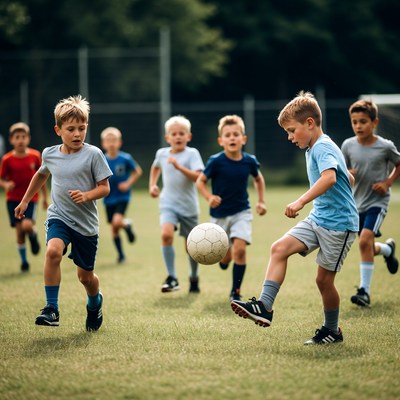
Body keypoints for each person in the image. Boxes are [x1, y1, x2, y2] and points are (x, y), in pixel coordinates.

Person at [230, 91, 359, 345]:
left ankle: (332, 330)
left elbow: (329, 178)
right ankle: (265, 307)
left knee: (323, 281)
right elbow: (344, 177)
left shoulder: (321, 146)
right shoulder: (314, 147)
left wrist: (300, 200)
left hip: (339, 225)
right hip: (319, 218)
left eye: (291, 130)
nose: (289, 137)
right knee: (279, 248)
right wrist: (347, 176)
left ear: (309, 123)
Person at [14, 95, 112, 331]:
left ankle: (94, 302)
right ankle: (51, 308)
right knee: (53, 252)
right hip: (59, 216)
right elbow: (41, 175)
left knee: (85, 278)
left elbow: (104, 188)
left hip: (86, 225)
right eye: (71, 129)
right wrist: (26, 201)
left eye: (82, 128)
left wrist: (87, 195)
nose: (77, 134)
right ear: (58, 130)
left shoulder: (94, 154)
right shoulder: (49, 154)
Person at [196, 114, 267, 301]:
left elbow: (258, 179)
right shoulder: (216, 161)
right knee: (226, 257)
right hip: (219, 215)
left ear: (243, 139)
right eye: (227, 135)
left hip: (242, 211)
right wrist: (209, 197)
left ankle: (235, 291)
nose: (232, 138)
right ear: (221, 141)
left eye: (236, 134)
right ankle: (225, 260)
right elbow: (200, 182)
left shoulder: (249, 161)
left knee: (240, 250)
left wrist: (261, 201)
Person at [341, 99, 400, 307]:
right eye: (354, 122)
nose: (358, 126)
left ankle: (364, 292)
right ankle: (386, 250)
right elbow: (342, 171)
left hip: (378, 202)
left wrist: (388, 182)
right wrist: (347, 172)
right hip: (356, 204)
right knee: (366, 244)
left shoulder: (385, 147)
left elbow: (399, 164)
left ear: (374, 123)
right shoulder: (347, 145)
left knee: (364, 241)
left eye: (363, 121)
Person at [149, 115, 204, 293]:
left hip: (188, 206)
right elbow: (156, 166)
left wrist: (179, 167)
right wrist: (152, 184)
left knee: (191, 246)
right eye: (174, 134)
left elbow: (199, 177)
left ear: (189, 136)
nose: (178, 137)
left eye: (182, 133)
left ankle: (194, 277)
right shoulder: (162, 153)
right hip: (168, 203)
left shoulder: (192, 154)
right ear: (168, 138)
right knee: (166, 235)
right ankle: (172, 278)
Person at [0, 122, 48, 272]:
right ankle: (24, 262)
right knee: (19, 232)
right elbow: (1, 178)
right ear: (11, 140)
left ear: (28, 139)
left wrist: (45, 198)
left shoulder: (35, 156)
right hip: (13, 199)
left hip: (31, 198)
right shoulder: (7, 159)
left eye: (23, 137)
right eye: (17, 137)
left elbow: (43, 177)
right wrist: (6, 185)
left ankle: (33, 236)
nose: (20, 140)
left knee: (27, 226)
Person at [101, 127, 143, 264]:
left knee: (116, 222)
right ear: (103, 144)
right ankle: (121, 254)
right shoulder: (101, 159)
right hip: (108, 198)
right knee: (114, 228)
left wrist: (128, 183)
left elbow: (137, 171)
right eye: (108, 140)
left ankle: (124, 224)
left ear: (120, 142)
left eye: (114, 140)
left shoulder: (125, 158)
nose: (111, 143)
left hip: (122, 197)